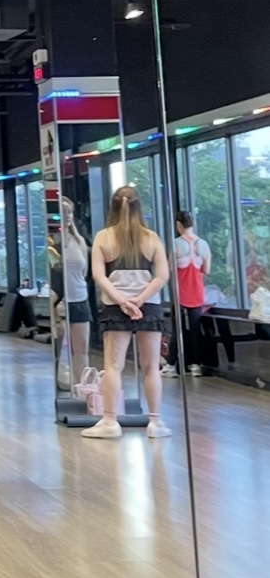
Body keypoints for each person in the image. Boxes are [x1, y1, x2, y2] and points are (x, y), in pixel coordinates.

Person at [82, 186, 171, 440]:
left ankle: (110, 421)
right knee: (151, 366)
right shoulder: (151, 237)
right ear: (138, 206)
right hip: (149, 307)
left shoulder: (103, 237)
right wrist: (139, 300)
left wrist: (123, 302)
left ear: (112, 206)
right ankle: (155, 422)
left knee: (113, 365)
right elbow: (162, 276)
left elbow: (99, 276)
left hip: (114, 307)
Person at [163, 211, 211, 377]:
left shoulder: (176, 244)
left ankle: (171, 365)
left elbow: (168, 269)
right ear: (193, 224)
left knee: (178, 329)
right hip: (197, 292)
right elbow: (206, 270)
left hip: (180, 293)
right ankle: (196, 365)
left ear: (178, 224)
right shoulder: (203, 245)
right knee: (195, 328)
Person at [52, 197, 91, 385]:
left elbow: (84, 272)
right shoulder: (52, 242)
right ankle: (60, 383)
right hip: (59, 301)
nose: (67, 216)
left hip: (79, 300)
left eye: (70, 212)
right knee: (58, 349)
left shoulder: (79, 241)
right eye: (63, 212)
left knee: (81, 351)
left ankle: (81, 387)